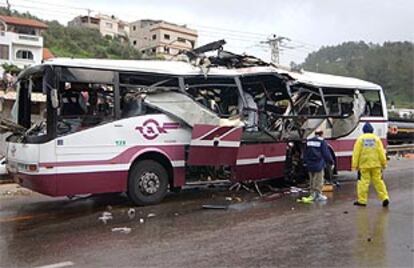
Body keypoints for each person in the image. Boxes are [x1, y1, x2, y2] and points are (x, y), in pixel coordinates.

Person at [352, 122, 389, 207]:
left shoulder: (360, 139)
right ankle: (384, 198)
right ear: (372, 130)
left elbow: (356, 153)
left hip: (364, 166)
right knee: (379, 182)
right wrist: (384, 163)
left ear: (363, 130)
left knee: (363, 183)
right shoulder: (376, 139)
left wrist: (355, 165)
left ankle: (362, 201)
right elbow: (381, 152)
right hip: (376, 165)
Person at [302, 129, 334, 202]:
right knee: (319, 180)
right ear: (321, 134)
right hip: (318, 164)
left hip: (310, 164)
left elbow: (305, 153)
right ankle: (318, 195)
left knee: (312, 180)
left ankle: (312, 194)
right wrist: (331, 162)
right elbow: (326, 154)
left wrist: (305, 162)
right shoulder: (322, 141)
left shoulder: (309, 141)